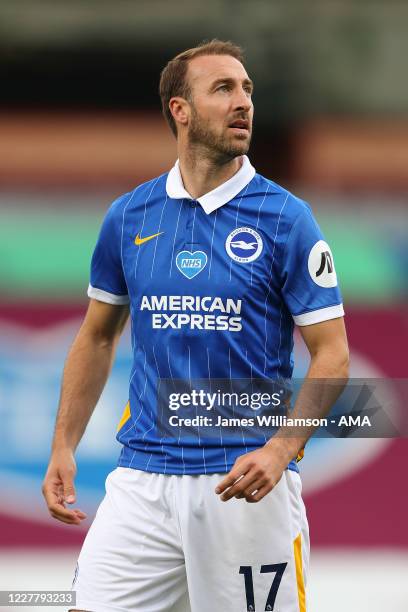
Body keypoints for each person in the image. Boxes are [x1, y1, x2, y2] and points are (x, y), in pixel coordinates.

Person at [42, 39, 349, 612]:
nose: (243, 103)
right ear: (179, 110)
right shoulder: (129, 215)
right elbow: (98, 336)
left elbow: (332, 356)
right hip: (143, 479)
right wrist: (64, 445)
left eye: (248, 90)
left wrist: (282, 450)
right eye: (223, 89)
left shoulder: (287, 219)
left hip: (243, 484)